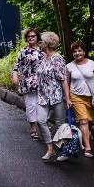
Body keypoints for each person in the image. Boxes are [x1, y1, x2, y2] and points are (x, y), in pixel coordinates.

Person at [36, 31, 71, 162]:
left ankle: (63, 151)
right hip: (43, 96)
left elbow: (63, 79)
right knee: (40, 120)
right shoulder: (43, 58)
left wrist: (67, 98)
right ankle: (50, 148)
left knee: (59, 123)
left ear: (47, 43)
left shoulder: (58, 58)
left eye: (41, 42)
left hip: (56, 95)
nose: (39, 44)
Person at [11, 28, 44, 140]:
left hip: (42, 83)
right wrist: (15, 76)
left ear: (37, 38)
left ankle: (43, 127)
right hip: (27, 82)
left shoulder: (43, 51)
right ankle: (33, 128)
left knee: (42, 106)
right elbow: (16, 66)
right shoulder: (23, 51)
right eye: (29, 36)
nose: (31, 38)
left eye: (33, 36)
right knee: (31, 106)